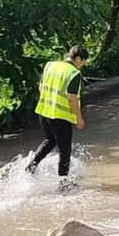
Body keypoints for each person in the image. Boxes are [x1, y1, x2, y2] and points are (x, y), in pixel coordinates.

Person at [27, 45, 89, 189]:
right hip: (61, 117)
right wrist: (79, 118)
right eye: (83, 62)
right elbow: (72, 98)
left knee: (50, 141)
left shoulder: (50, 66)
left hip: (44, 112)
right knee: (65, 151)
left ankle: (31, 167)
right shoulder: (74, 73)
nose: (83, 66)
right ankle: (63, 183)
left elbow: (41, 87)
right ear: (78, 58)